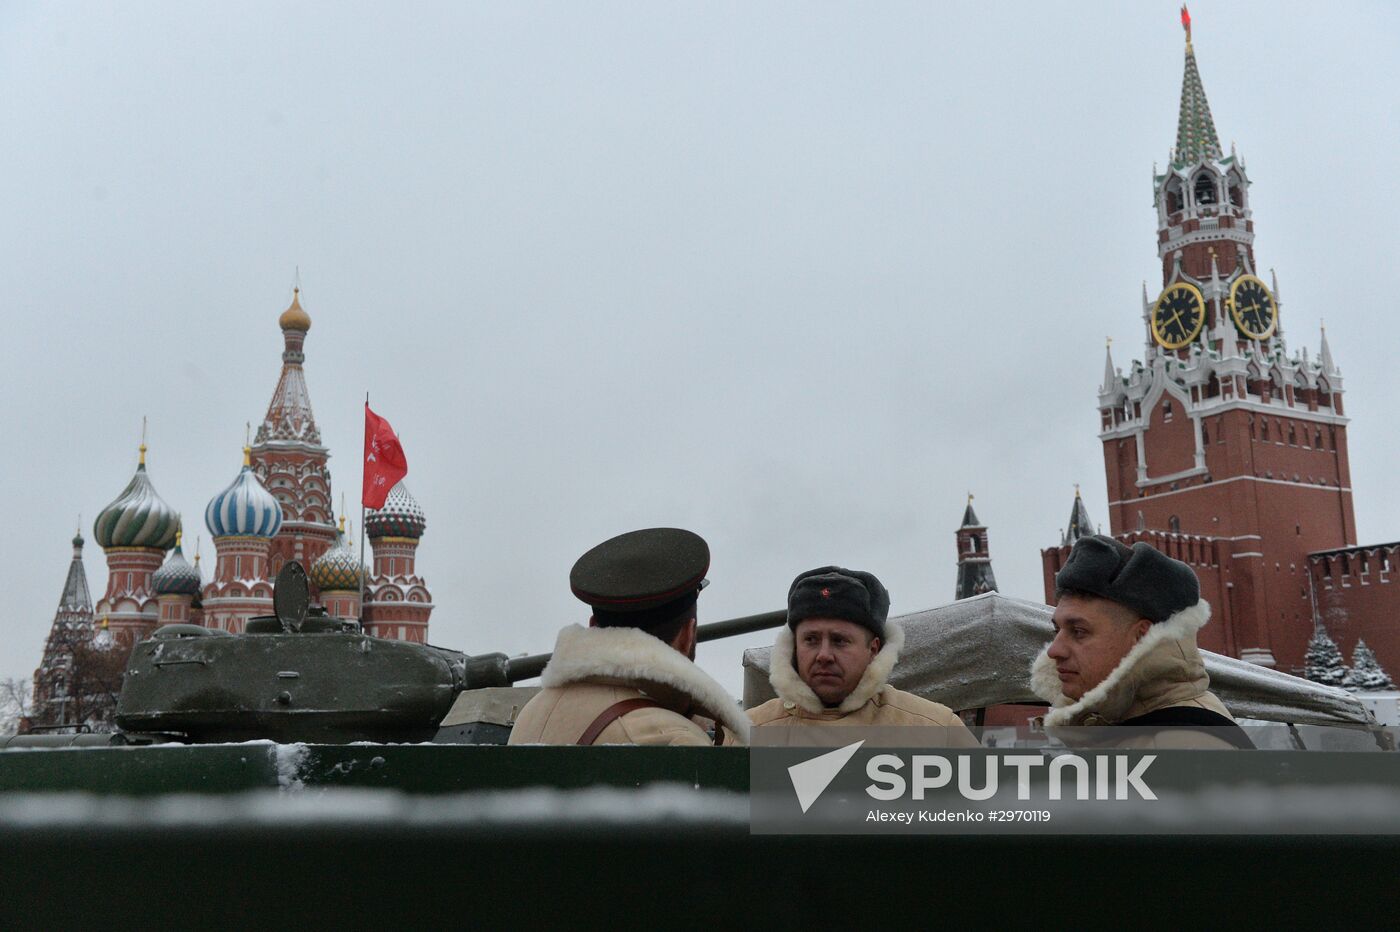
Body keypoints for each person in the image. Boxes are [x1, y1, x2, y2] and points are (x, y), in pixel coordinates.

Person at [508, 527, 750, 747]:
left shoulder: (529, 714)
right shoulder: (674, 738)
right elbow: (774, 793)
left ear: (594, 628)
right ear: (688, 635)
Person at [1030, 534, 1251, 749]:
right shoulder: (1127, 727)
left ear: (1142, 637)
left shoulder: (1187, 747)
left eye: (1078, 631)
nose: (1054, 650)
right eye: (1056, 629)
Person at [744, 566, 978, 745]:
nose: (824, 655)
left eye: (840, 641)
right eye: (811, 640)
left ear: (873, 650)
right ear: (794, 646)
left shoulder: (936, 731)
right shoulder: (747, 732)